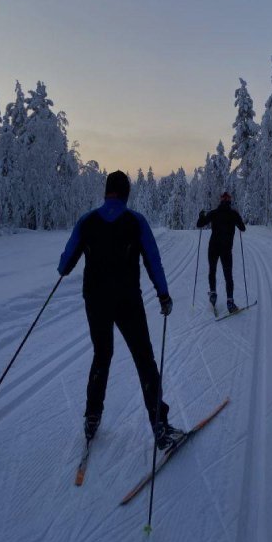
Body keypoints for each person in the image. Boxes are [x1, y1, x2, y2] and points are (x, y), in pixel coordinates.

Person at [58, 170, 183, 449]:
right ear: (126, 193)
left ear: (106, 192)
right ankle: (159, 425)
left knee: (102, 354)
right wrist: (163, 295)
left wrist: (69, 263)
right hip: (128, 301)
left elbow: (64, 265)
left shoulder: (87, 221)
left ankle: (92, 416)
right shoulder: (136, 221)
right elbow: (153, 260)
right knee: (144, 359)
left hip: (95, 300)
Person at [196, 192, 246, 313]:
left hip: (213, 247)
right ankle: (230, 302)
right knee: (228, 276)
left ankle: (213, 294)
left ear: (220, 201)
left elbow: (199, 224)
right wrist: (238, 217)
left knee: (212, 270)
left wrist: (201, 216)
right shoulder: (233, 214)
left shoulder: (214, 212)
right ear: (229, 201)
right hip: (226, 250)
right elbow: (242, 228)